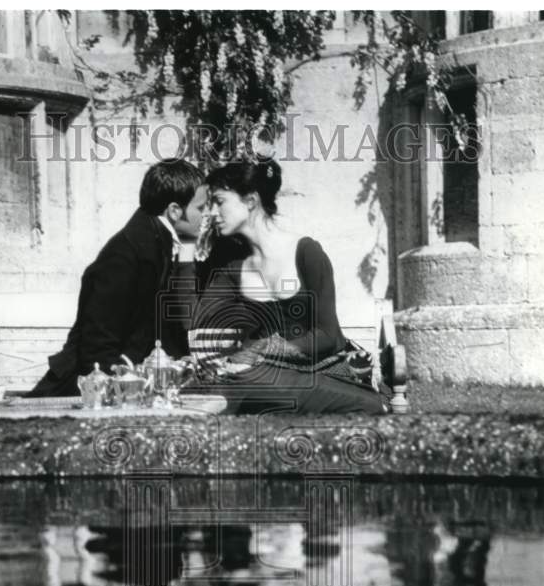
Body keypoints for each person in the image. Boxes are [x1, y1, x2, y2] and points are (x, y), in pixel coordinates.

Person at [188, 158, 386, 415]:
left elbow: (328, 336)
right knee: (229, 384)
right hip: (264, 376)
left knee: (364, 405)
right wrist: (188, 246)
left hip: (321, 371)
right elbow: (196, 321)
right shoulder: (233, 267)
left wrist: (265, 347)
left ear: (250, 201)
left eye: (220, 201)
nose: (211, 212)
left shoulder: (306, 253)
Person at [27, 159, 207, 398]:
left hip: (133, 383)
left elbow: (166, 325)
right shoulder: (126, 255)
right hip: (87, 389)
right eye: (201, 208)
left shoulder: (157, 242)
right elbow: (97, 348)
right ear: (175, 210)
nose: (207, 215)